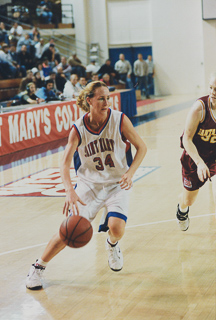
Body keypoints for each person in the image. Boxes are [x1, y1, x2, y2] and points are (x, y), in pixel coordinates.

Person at [25, 80, 147, 290]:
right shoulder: (79, 128)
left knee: (117, 229)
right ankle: (38, 267)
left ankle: (112, 244)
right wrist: (70, 191)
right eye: (101, 98)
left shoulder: (119, 120)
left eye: (108, 98)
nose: (106, 102)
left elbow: (142, 148)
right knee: (68, 230)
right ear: (89, 100)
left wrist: (130, 172)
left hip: (117, 183)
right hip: (89, 185)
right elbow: (64, 163)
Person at [176, 73, 216, 231]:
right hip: (194, 157)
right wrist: (199, 163)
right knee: (189, 200)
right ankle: (182, 210)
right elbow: (187, 139)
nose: (213, 92)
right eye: (211, 87)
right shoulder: (199, 108)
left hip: (214, 155)